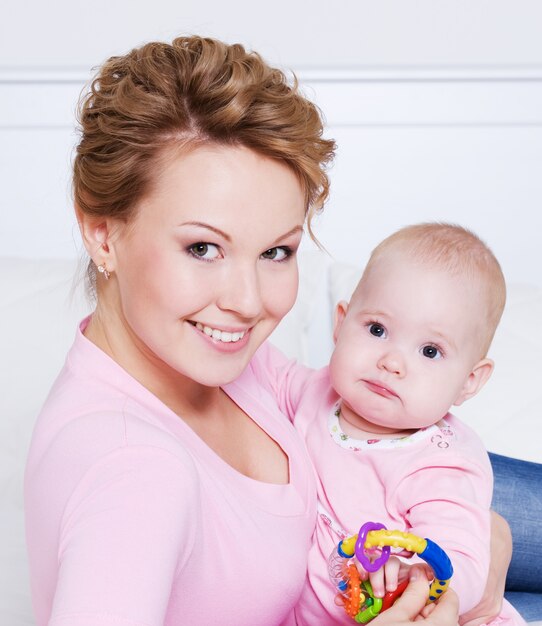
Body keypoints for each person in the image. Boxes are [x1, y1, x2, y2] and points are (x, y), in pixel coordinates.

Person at [23, 35, 501, 626]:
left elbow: (431, 478)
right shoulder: (133, 470)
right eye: (203, 248)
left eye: (276, 252)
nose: (248, 304)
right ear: (102, 234)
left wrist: (489, 550)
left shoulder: (215, 361)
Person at [262, 222, 527, 625]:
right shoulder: (312, 392)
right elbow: (257, 367)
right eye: (377, 329)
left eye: (430, 351)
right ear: (341, 324)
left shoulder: (440, 461)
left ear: (469, 381)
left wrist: (420, 575)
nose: (393, 362)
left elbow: (462, 548)